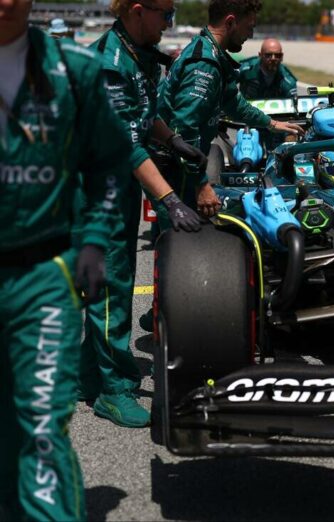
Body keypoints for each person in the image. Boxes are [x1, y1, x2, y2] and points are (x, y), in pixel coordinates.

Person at [0, 0, 132, 517]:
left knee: (40, 424)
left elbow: (110, 160)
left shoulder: (73, 69)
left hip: (42, 275)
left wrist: (95, 239)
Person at [78, 0, 209, 428]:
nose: (170, 23)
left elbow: (143, 117)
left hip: (117, 183)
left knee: (112, 280)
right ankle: (113, 390)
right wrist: (170, 199)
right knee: (112, 287)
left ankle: (89, 375)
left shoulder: (137, 55)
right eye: (165, 13)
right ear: (137, 10)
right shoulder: (110, 65)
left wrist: (172, 140)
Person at [141, 0, 304, 332]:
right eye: (249, 26)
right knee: (182, 245)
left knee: (181, 242)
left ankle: (168, 315)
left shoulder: (214, 55)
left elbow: (234, 104)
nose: (250, 34)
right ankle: (169, 321)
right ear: (231, 22)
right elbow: (184, 131)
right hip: (175, 170)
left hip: (183, 165)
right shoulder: (204, 65)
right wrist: (202, 184)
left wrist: (271, 124)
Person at [238, 38, 297, 152]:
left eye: (277, 55)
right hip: (249, 121)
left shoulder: (288, 80)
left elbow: (293, 114)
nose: (273, 58)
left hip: (275, 124)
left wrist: (290, 139)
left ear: (282, 57)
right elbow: (226, 88)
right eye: (268, 55)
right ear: (260, 55)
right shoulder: (245, 69)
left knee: (282, 152)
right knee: (246, 152)